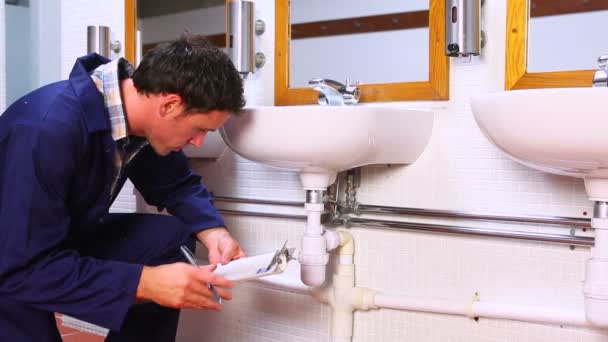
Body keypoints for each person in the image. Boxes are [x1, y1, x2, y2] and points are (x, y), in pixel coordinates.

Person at [0, 34, 247, 341]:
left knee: (168, 242)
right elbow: (19, 266)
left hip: (49, 240)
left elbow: (176, 183)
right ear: (170, 104)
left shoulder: (134, 119)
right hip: (11, 262)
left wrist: (214, 232)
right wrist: (145, 282)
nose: (197, 142)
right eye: (199, 130)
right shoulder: (46, 130)